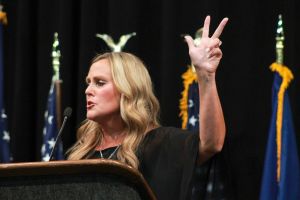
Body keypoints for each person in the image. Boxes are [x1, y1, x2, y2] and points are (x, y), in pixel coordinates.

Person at [67, 15, 228, 200]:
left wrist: (205, 75)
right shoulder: (81, 155)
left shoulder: (162, 145)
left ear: (128, 89)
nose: (88, 90)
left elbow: (212, 144)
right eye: (88, 83)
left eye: (100, 83)